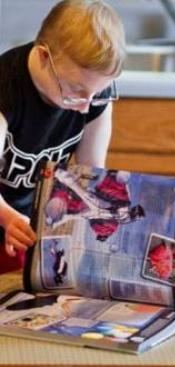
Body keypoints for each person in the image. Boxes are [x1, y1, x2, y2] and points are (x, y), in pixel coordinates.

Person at [0, 0, 125, 271]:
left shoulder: (91, 95)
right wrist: (7, 217)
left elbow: (89, 172)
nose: (85, 105)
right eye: (75, 90)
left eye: (97, 93)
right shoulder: (5, 88)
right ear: (44, 56)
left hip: (21, 224)